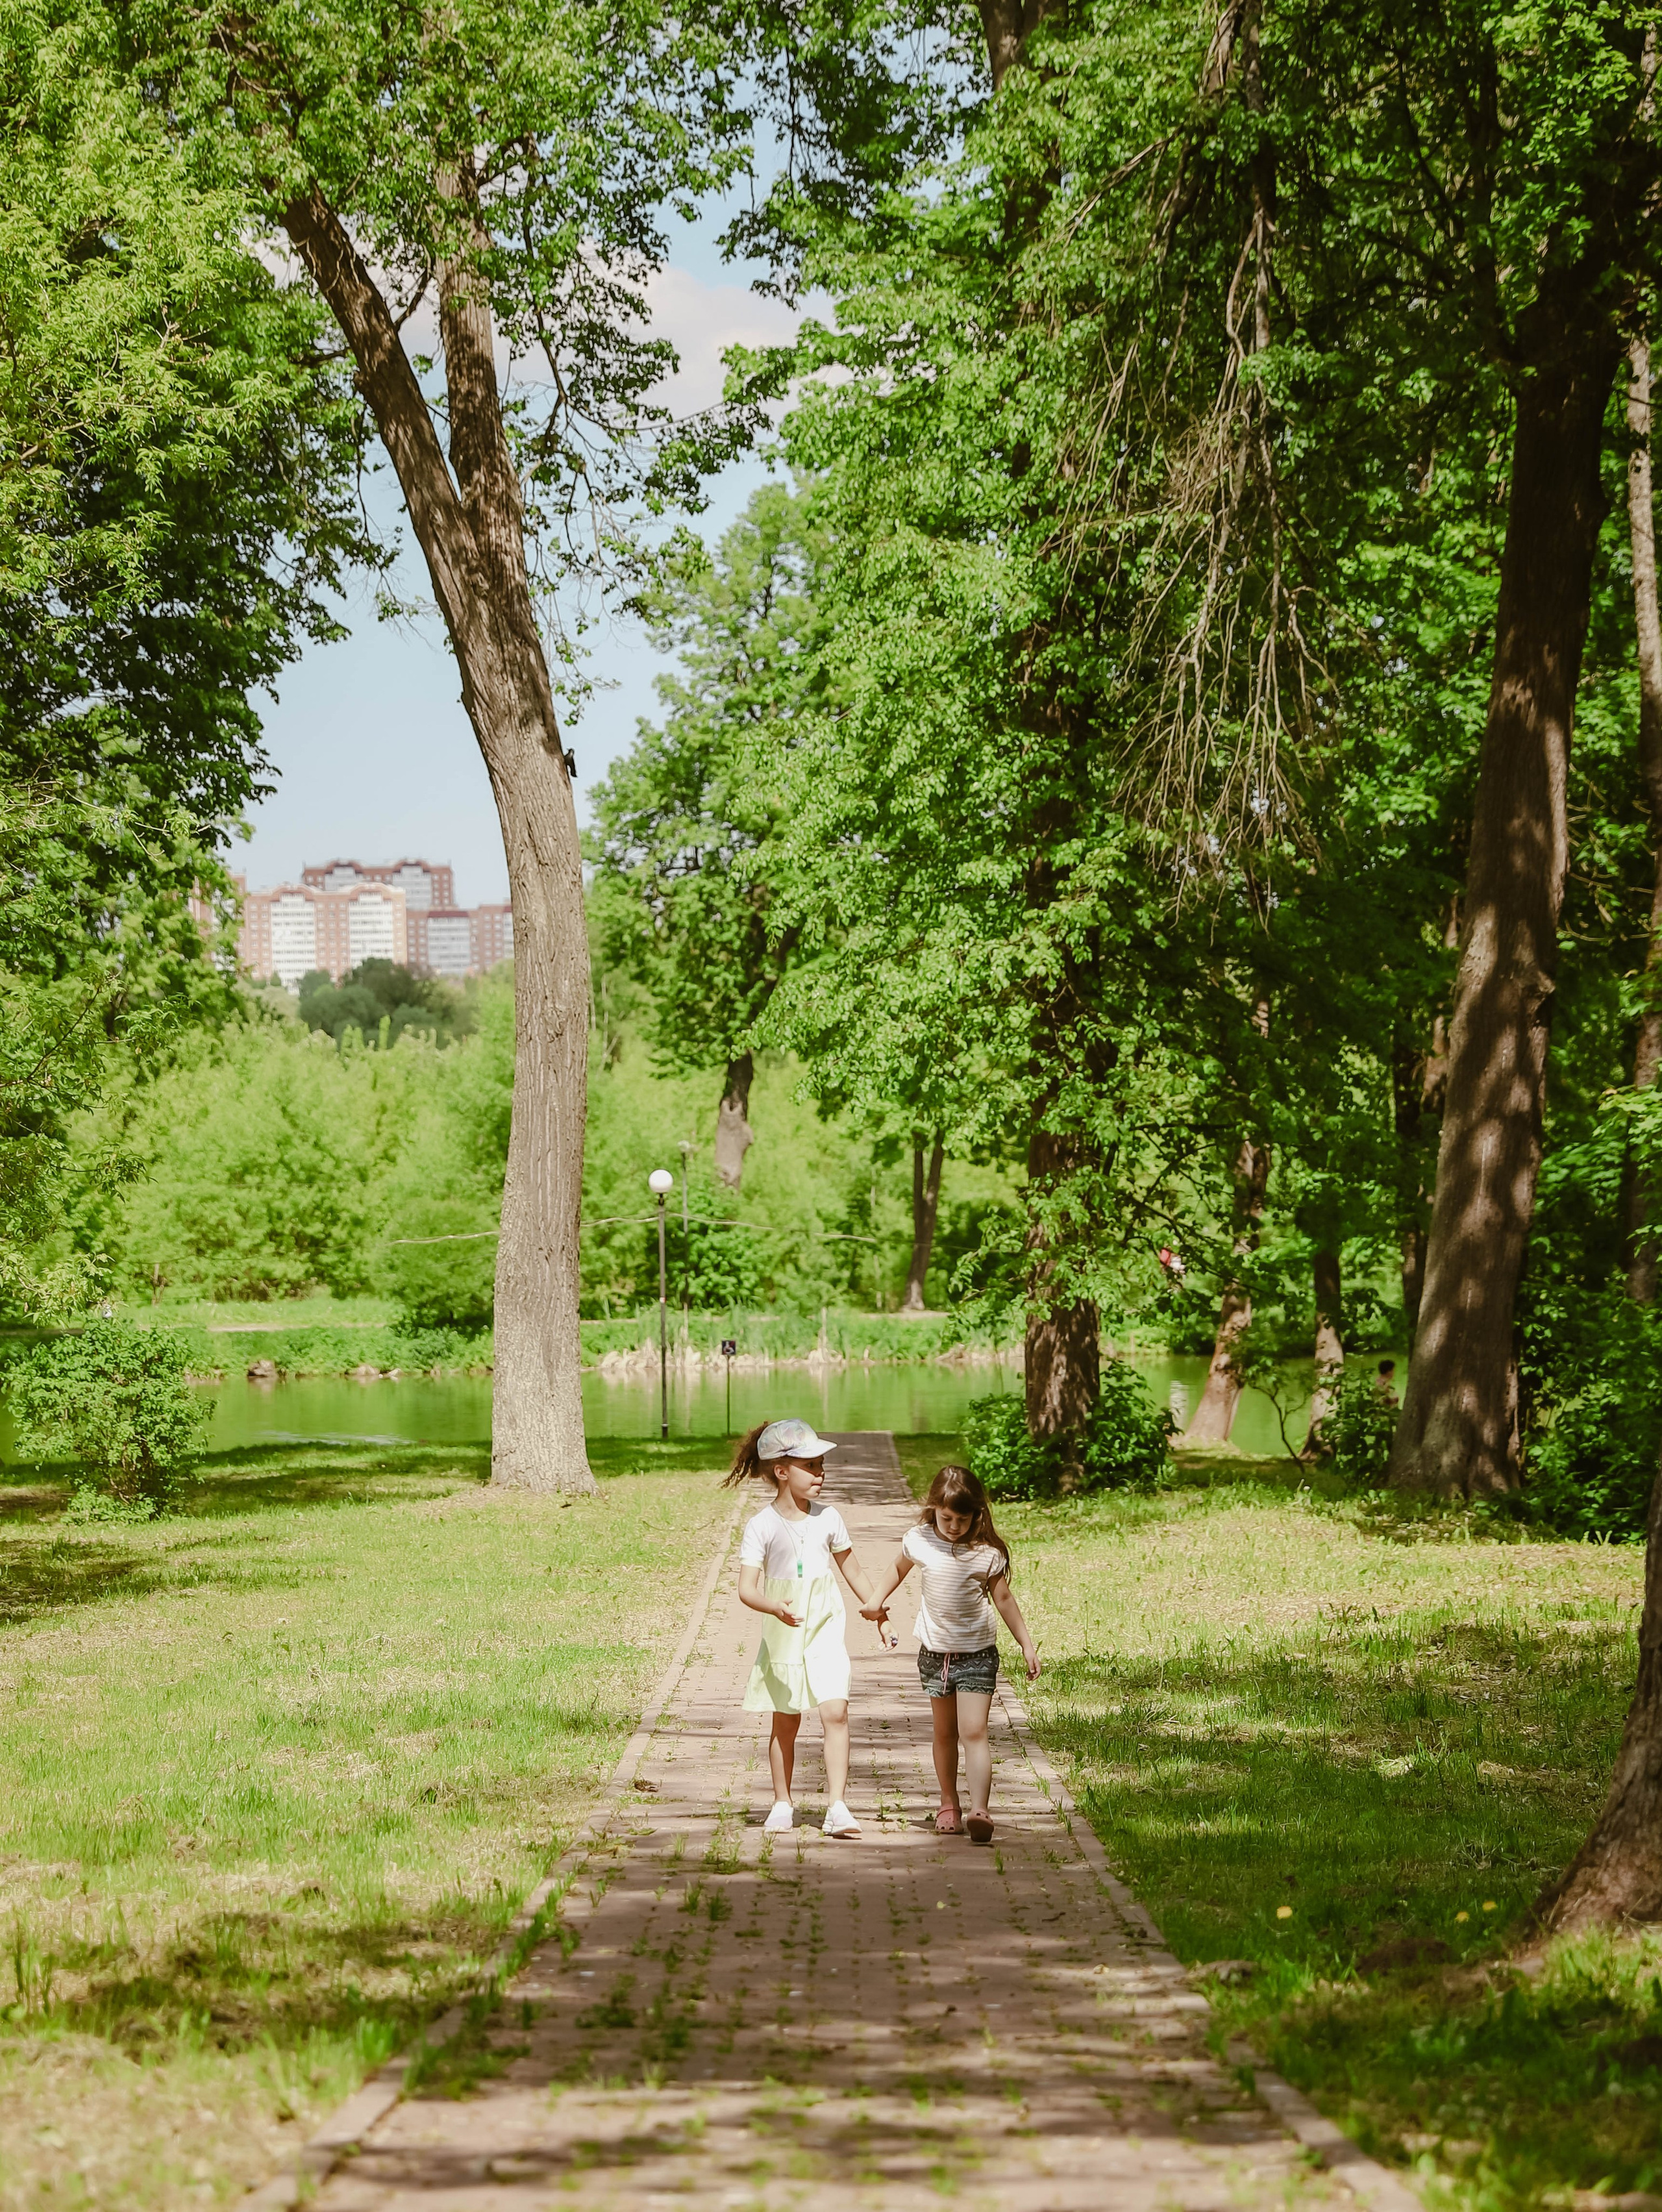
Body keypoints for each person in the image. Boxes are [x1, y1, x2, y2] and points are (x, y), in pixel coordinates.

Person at [726, 1418, 887, 1839]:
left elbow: (852, 1568)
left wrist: (878, 1611)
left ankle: (837, 1805)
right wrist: (773, 1607)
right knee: (786, 1719)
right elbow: (746, 1588)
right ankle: (782, 1801)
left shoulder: (830, 1517)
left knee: (836, 1709)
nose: (821, 1474)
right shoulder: (760, 1525)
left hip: (825, 1625)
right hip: (784, 1627)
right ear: (782, 1471)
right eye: (811, 1465)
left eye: (821, 1465)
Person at [862, 1463, 1038, 1844]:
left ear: (978, 1515)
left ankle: (980, 1810)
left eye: (963, 1518)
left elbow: (1003, 1598)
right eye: (946, 1518)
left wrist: (1026, 1643)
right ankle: (948, 1804)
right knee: (944, 1733)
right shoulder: (920, 1539)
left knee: (974, 1732)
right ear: (934, 1510)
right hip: (935, 1656)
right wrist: (876, 1602)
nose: (954, 1526)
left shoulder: (986, 1553)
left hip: (977, 1656)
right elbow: (897, 1568)